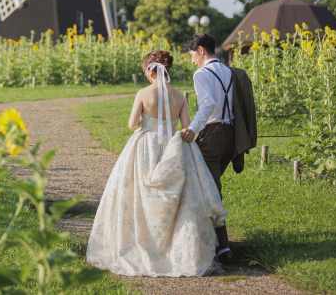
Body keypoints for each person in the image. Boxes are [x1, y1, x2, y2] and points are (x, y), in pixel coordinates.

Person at [87, 50, 228, 277]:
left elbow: (133, 124)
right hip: (174, 147)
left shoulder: (143, 93)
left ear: (149, 71)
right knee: (181, 200)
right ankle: (178, 249)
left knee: (139, 196)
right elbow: (186, 126)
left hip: (146, 147)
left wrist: (147, 118)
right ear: (167, 70)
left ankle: (142, 243)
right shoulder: (180, 96)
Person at [182, 32, 256, 266]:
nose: (192, 60)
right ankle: (210, 238)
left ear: (201, 50)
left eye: (192, 54)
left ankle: (223, 248)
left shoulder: (202, 73)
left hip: (211, 135)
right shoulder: (228, 71)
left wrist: (193, 129)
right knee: (207, 187)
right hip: (230, 135)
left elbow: (207, 105)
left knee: (211, 190)